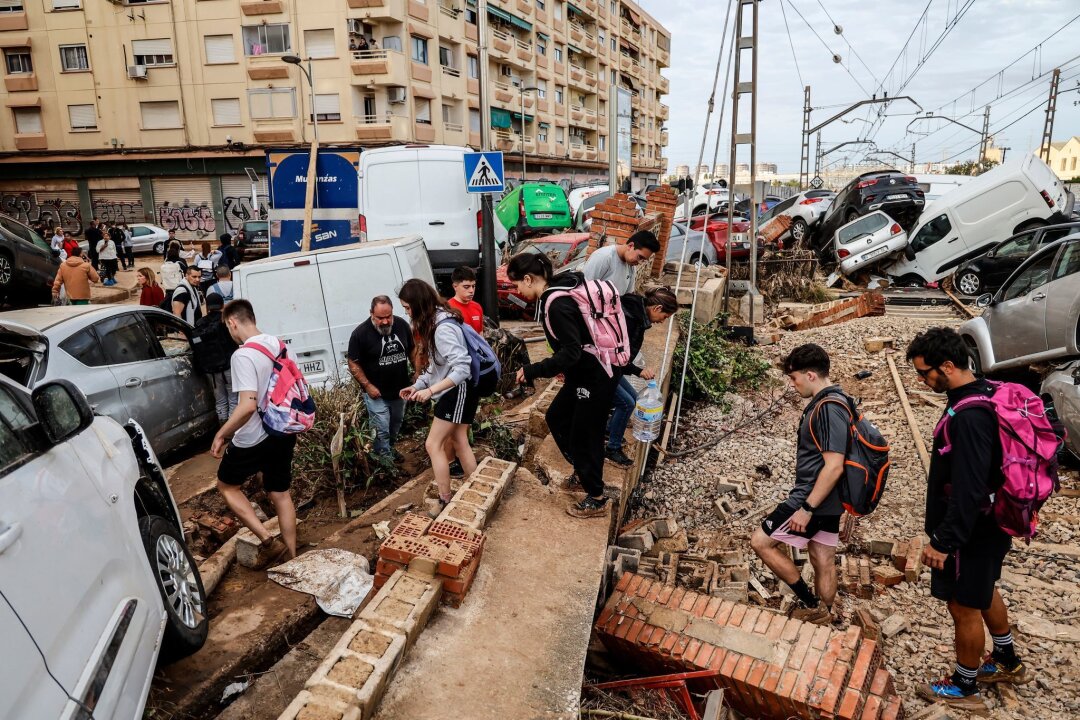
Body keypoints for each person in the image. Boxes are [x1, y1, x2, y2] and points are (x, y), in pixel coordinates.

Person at [906, 327, 1029, 712]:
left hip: (975, 528)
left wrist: (944, 541)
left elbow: (969, 488)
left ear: (948, 365)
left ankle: (965, 686)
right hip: (993, 522)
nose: (923, 381)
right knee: (983, 587)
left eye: (925, 373)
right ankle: (1007, 661)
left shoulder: (970, 416)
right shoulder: (987, 392)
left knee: (963, 606)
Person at [509, 253, 618, 519]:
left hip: (595, 375)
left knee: (585, 435)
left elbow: (571, 352)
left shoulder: (556, 305)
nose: (517, 291)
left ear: (528, 278)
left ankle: (596, 497)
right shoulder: (561, 289)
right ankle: (583, 470)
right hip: (583, 374)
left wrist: (533, 369)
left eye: (516, 285)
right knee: (556, 416)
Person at [750, 343, 847, 625]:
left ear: (811, 375)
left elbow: (834, 465)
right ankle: (828, 615)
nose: (793, 385)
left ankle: (810, 602)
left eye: (794, 378)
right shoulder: (837, 401)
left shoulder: (828, 409)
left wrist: (806, 508)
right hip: (830, 499)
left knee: (761, 542)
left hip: (811, 498)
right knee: (821, 556)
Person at [212, 299, 299, 565]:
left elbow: (248, 406)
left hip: (253, 438)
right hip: (283, 431)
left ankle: (268, 541)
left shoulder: (243, 355)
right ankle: (293, 556)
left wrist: (222, 434)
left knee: (227, 485)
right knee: (280, 493)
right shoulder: (282, 346)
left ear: (232, 322)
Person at [398, 279, 495, 516]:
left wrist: (430, 391)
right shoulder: (438, 320)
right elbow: (437, 365)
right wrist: (418, 384)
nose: (407, 314)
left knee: (433, 444)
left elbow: (461, 367)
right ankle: (475, 489)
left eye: (408, 308)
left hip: (459, 389)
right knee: (459, 439)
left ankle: (445, 499)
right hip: (459, 388)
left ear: (418, 304)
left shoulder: (441, 328)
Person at [605, 287, 678, 465]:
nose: (663, 322)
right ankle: (612, 448)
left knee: (635, 397)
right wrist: (638, 370)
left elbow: (622, 358)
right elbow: (616, 356)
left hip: (612, 367)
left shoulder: (637, 315)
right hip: (602, 368)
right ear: (657, 308)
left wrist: (635, 369)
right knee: (626, 403)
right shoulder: (630, 319)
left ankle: (608, 429)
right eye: (665, 317)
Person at [347, 296, 413, 460]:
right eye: (380, 318)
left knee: (395, 424)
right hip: (376, 393)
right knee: (381, 428)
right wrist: (368, 386)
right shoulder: (360, 334)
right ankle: (385, 463)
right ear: (371, 314)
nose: (385, 322)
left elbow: (413, 349)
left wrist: (417, 372)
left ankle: (388, 450)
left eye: (388, 317)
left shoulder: (402, 325)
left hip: (400, 390)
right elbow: (353, 363)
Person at [194, 294, 239, 423]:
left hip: (211, 371)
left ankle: (223, 426)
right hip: (228, 367)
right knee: (233, 398)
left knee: (220, 400)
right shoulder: (226, 321)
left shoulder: (199, 323)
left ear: (207, 307)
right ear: (223, 305)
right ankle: (232, 431)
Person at [583, 229, 661, 295]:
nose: (640, 262)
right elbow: (583, 289)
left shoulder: (631, 266)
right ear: (630, 246)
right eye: (640, 257)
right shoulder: (604, 256)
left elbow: (628, 296)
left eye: (643, 260)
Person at [446, 265, 485, 334]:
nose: (471, 290)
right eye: (466, 287)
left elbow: (480, 335)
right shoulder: (447, 308)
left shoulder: (477, 307)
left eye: (473, 286)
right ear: (455, 286)